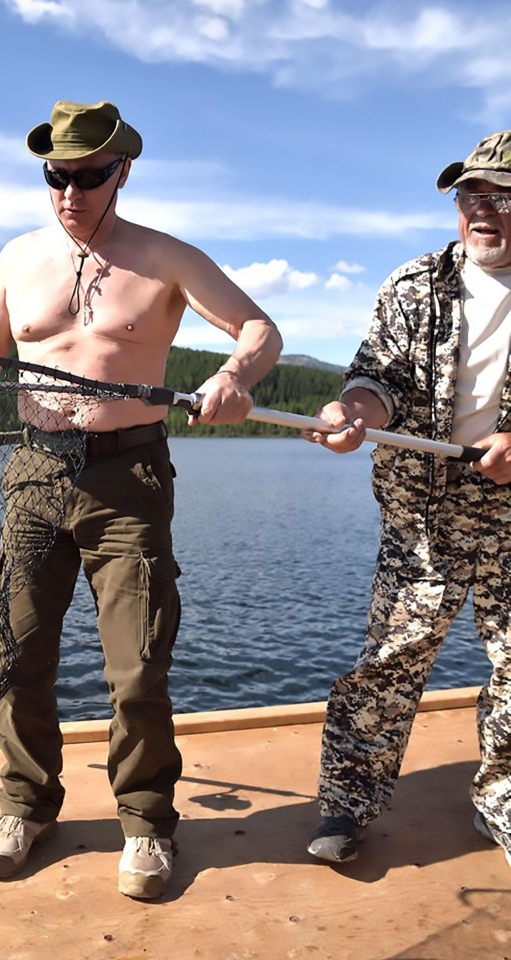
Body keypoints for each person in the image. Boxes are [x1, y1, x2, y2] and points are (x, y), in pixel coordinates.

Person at [0, 100, 282, 899]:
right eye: (57, 175)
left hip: (130, 482)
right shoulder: (18, 258)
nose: (71, 192)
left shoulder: (166, 258)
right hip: (34, 475)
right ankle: (26, 805)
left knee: (136, 668)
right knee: (15, 654)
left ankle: (148, 824)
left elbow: (260, 329)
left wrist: (233, 376)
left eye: (89, 176)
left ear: (123, 171)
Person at [303, 130, 511, 867]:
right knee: (388, 662)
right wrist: (355, 412)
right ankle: (346, 805)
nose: (484, 210)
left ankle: (503, 808)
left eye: (503, 195)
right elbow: (376, 378)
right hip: (420, 515)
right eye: (471, 196)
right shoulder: (413, 284)